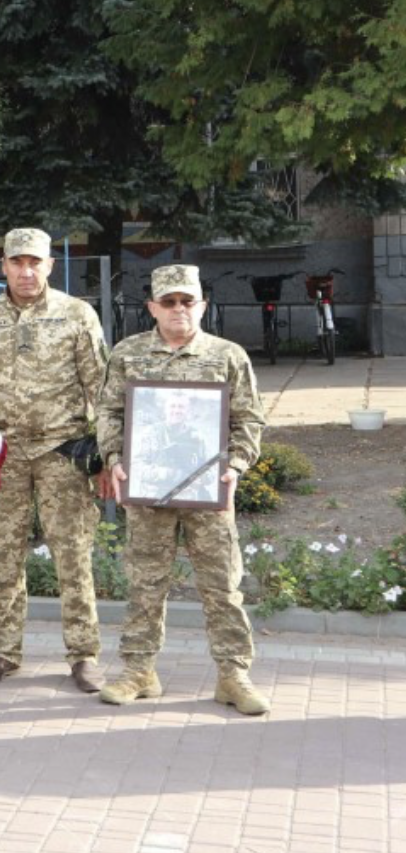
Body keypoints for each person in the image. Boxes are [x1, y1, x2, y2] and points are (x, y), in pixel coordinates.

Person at [97, 264, 269, 715]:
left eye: (187, 301)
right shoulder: (128, 354)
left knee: (221, 585)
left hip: (207, 492)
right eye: (169, 302)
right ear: (152, 307)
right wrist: (115, 459)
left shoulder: (227, 356)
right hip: (149, 491)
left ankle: (233, 675)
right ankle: (139, 670)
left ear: (202, 305)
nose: (178, 309)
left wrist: (235, 463)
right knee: (144, 581)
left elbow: (249, 419)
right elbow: (109, 412)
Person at [0, 227, 109, 692]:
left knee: (73, 555)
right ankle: (3, 651)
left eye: (34, 262)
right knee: (5, 554)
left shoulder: (77, 315)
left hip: (63, 451)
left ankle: (84, 655)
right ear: (3, 265)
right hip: (5, 452)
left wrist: (104, 451)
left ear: (49, 265)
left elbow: (100, 387)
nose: (25, 271)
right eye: (16, 262)